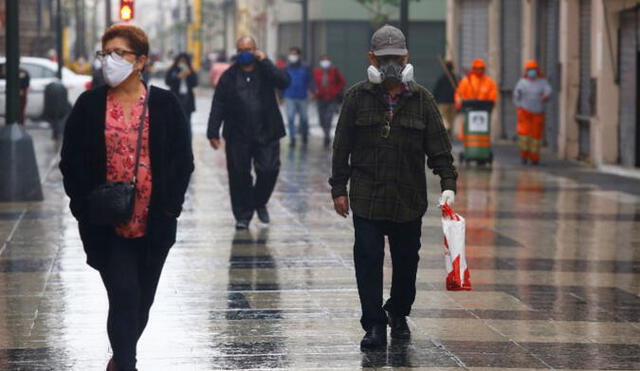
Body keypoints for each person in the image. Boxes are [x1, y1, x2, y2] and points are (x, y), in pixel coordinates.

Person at [59, 24, 194, 371]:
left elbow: (183, 160)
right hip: (106, 223)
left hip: (154, 220)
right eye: (106, 53)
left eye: (120, 54)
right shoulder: (89, 104)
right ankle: (127, 365)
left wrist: (170, 207)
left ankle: (119, 360)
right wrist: (82, 207)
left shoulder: (164, 104)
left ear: (141, 61)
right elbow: (70, 160)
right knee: (124, 295)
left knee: (142, 303)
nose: (110, 61)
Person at [330, 24, 458, 349]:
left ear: (406, 58)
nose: (391, 64)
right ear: (371, 57)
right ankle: (373, 325)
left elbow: (439, 147)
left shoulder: (422, 100)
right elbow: (341, 146)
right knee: (367, 261)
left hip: (408, 199)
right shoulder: (356, 98)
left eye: (396, 58)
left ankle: (398, 313)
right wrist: (338, 188)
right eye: (384, 57)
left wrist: (448, 182)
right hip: (367, 199)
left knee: (406, 264)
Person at [207, 36, 291, 230]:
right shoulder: (228, 76)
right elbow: (218, 104)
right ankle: (242, 216)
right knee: (238, 176)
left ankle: (258, 201)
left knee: (269, 170)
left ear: (256, 50)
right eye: (242, 49)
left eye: (249, 49)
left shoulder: (266, 71)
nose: (245, 53)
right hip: (237, 135)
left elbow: (284, 81)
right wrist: (213, 131)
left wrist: (266, 61)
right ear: (237, 52)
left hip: (267, 132)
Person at [513, 60, 552, 165]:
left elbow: (548, 90)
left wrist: (546, 96)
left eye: (533, 70)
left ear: (537, 70)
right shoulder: (522, 82)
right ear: (527, 71)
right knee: (524, 135)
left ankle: (535, 158)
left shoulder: (542, 82)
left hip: (538, 113)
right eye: (530, 70)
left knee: (536, 136)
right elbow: (516, 95)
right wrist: (519, 107)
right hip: (524, 112)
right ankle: (524, 156)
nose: (532, 72)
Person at [454, 58, 498, 140]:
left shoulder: (488, 82)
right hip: (469, 110)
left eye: (481, 68)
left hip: (483, 110)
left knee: (482, 131)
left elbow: (493, 94)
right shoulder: (466, 81)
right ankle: (468, 146)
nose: (479, 70)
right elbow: (459, 94)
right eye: (477, 68)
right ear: (473, 69)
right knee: (468, 131)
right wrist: (459, 104)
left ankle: (482, 145)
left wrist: (491, 104)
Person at [283, 47, 314, 147]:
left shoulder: (305, 67)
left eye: (295, 54)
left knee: (304, 118)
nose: (293, 56)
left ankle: (304, 134)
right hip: (289, 96)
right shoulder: (285, 67)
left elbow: (310, 80)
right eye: (291, 54)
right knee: (290, 118)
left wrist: (313, 91)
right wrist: (279, 95)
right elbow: (281, 81)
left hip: (302, 96)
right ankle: (292, 138)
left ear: (299, 55)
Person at [313, 54, 346, 147]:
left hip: (332, 98)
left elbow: (342, 81)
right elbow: (312, 83)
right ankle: (325, 132)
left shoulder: (334, 71)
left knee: (328, 117)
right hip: (320, 98)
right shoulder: (316, 72)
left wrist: (336, 90)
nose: (325, 62)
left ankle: (327, 136)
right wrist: (314, 92)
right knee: (321, 119)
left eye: (326, 60)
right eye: (323, 60)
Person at [165, 52, 199, 134]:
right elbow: (168, 81)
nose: (182, 63)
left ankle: (188, 143)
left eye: (185, 61)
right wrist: (178, 77)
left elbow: (195, 83)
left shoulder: (190, 70)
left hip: (187, 99)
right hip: (175, 98)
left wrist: (188, 75)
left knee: (187, 123)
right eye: (181, 61)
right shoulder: (173, 70)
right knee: (175, 122)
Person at [433, 60, 458, 134]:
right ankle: (450, 133)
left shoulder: (441, 79)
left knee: (443, 117)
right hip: (452, 102)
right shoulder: (455, 78)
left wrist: (435, 100)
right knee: (451, 119)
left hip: (442, 102)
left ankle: (447, 129)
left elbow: (436, 90)